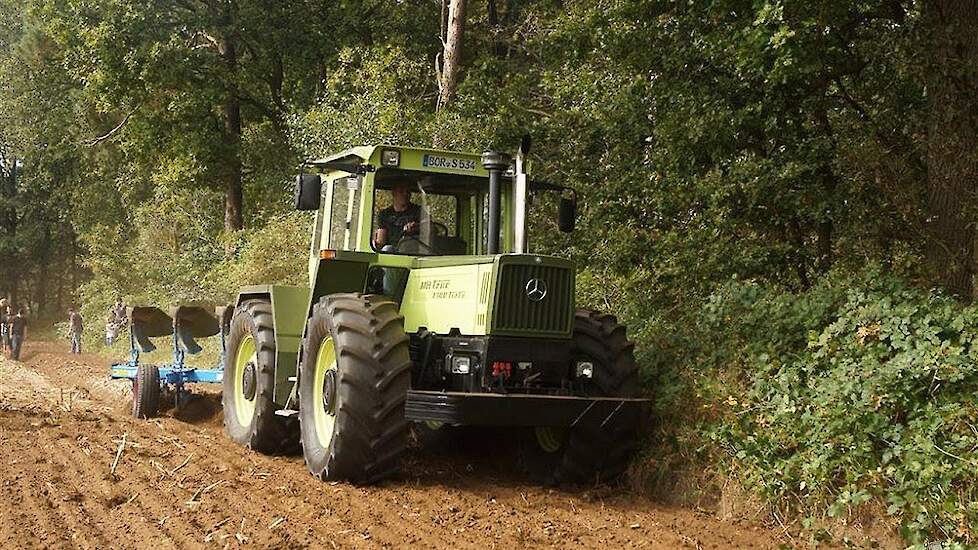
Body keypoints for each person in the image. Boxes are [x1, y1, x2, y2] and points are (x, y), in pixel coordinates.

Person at [372, 181, 422, 251]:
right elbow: (381, 241)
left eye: (408, 192)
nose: (405, 194)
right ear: (393, 194)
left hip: (414, 249)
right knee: (387, 249)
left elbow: (431, 228)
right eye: (401, 191)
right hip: (393, 251)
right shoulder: (385, 214)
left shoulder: (418, 211)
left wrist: (417, 226)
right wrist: (376, 242)